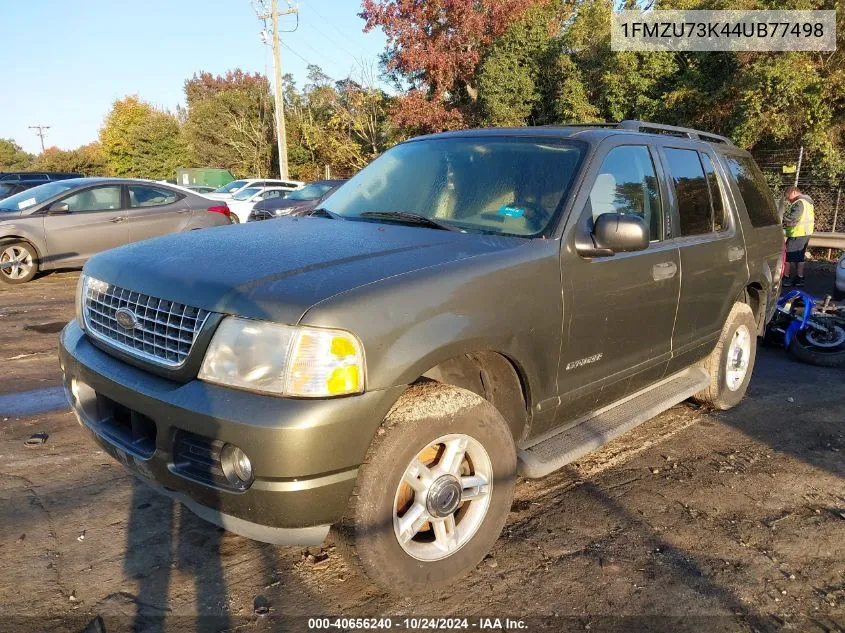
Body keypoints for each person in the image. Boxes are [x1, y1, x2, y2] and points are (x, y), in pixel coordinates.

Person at [781, 185, 815, 287]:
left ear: (794, 192)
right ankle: (799, 278)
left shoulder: (799, 203)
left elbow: (792, 219)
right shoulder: (807, 202)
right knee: (799, 257)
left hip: (797, 233)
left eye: (788, 196)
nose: (788, 199)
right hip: (805, 233)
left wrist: (782, 219)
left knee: (787, 256)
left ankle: (786, 278)